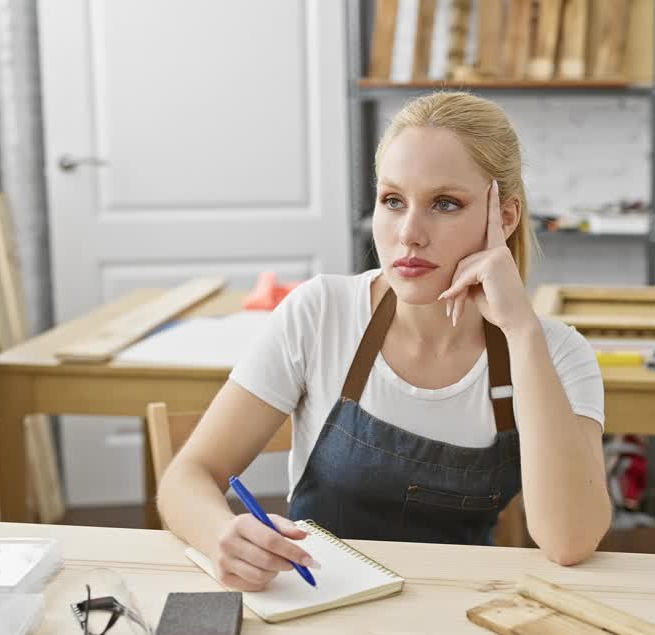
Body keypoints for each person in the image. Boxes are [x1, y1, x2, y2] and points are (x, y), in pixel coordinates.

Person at [159, 91, 610, 591]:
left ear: (504, 217)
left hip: (465, 610)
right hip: (317, 606)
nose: (410, 234)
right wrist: (222, 533)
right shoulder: (320, 314)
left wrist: (523, 335)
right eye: (393, 201)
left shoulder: (559, 353)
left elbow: (570, 541)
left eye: (445, 204)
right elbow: (187, 477)